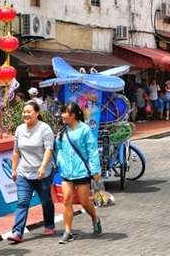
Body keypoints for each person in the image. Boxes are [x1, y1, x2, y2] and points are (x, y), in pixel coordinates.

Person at [7, 101, 56, 243]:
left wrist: (42, 166)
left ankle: (49, 224)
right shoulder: (19, 129)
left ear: (37, 113)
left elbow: (49, 149)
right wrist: (14, 169)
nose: (26, 114)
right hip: (24, 172)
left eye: (29, 112)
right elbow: (16, 151)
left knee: (45, 200)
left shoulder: (44, 129)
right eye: (24, 112)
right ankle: (17, 232)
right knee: (22, 201)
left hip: (43, 173)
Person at [54, 102, 102, 243]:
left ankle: (95, 218)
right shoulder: (62, 131)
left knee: (84, 201)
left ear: (73, 115)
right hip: (67, 172)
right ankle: (68, 231)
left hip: (82, 172)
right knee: (67, 200)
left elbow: (92, 150)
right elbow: (59, 148)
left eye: (64, 113)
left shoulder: (84, 129)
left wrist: (95, 170)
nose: (62, 115)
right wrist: (60, 160)